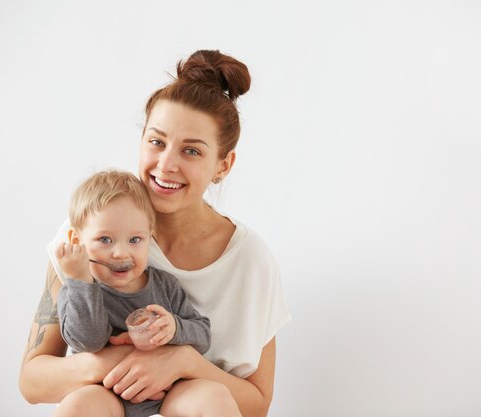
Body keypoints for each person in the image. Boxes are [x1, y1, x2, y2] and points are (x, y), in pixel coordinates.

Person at [19, 49, 291, 417]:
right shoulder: (88, 234)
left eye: (191, 151)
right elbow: (33, 382)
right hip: (104, 398)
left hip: (200, 403)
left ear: (222, 165)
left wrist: (181, 361)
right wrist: (118, 362)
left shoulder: (250, 261)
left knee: (208, 401)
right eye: (157, 142)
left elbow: (257, 403)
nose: (166, 165)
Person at [54, 169, 236, 417]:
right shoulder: (75, 291)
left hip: (169, 393)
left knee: (216, 396)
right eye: (105, 240)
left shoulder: (164, 285)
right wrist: (81, 282)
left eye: (135, 240)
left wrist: (174, 327)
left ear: (150, 236)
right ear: (77, 240)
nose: (121, 253)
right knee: (77, 406)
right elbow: (89, 341)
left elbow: (203, 336)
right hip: (107, 393)